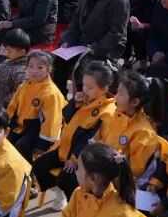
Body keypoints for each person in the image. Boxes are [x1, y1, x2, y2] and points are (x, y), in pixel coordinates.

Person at [32, 61, 116, 208]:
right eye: (84, 85)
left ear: (104, 89)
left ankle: (75, 208)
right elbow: (66, 117)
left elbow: (90, 140)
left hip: (82, 157)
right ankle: (60, 192)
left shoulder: (107, 112)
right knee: (39, 165)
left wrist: (75, 159)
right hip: (64, 148)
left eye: (90, 87)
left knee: (67, 179)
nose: (85, 90)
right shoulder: (85, 99)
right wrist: (74, 103)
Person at [5, 51, 66, 161]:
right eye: (31, 66)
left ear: (48, 69)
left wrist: (43, 144)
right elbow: (12, 106)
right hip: (21, 125)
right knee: (5, 141)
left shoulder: (51, 93)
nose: (34, 71)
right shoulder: (24, 85)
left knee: (21, 146)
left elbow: (52, 121)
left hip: (38, 129)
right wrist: (5, 122)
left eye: (40, 67)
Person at [0, 28, 30, 107]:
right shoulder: (9, 60)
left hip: (5, 108)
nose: (6, 53)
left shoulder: (21, 70)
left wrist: (5, 101)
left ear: (22, 52)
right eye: (5, 49)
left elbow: (24, 91)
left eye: (9, 51)